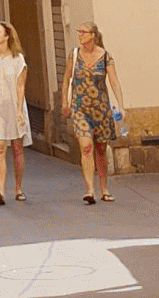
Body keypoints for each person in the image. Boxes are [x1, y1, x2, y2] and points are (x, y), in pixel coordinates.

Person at [62, 23, 124, 204]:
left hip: (101, 110)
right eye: (78, 31)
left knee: (101, 150)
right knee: (86, 146)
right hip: (80, 108)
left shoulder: (105, 57)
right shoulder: (73, 56)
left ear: (93, 35)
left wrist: (120, 105)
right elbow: (66, 80)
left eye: (83, 32)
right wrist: (65, 102)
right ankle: (89, 190)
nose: (79, 35)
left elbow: (114, 81)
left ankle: (104, 188)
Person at [0, 20, 30, 205]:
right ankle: (0, 189)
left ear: (7, 36)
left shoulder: (18, 60)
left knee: (17, 149)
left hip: (13, 107)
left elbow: (20, 86)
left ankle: (18, 188)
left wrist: (19, 110)